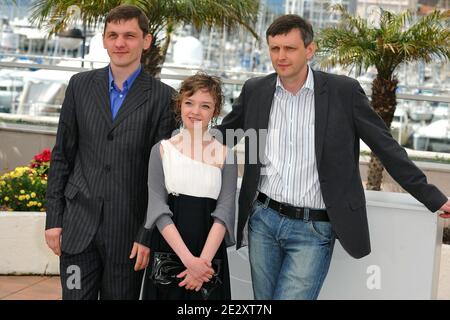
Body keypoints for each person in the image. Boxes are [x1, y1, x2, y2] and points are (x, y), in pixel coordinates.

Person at [216, 14, 450, 300]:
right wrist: (178, 144)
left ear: (310, 50)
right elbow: (224, 137)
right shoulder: (256, 90)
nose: (281, 56)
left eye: (290, 48)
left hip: (313, 230)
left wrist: (433, 197)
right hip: (263, 222)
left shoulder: (344, 92)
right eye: (275, 49)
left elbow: (386, 148)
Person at [44, 5, 177, 299]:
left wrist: (146, 235)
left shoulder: (164, 98)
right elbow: (62, 155)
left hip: (128, 237)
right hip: (77, 229)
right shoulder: (79, 86)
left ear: (146, 40)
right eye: (113, 35)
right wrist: (54, 219)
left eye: (129, 36)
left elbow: (163, 177)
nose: (120, 43)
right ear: (103, 39)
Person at [141, 73, 237, 300]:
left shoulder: (226, 156)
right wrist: (188, 261)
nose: (196, 111)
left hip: (209, 253)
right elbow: (157, 209)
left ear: (215, 111)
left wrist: (201, 264)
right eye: (189, 103)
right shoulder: (162, 150)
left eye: (205, 105)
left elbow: (224, 214)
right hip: (168, 250)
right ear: (180, 104)